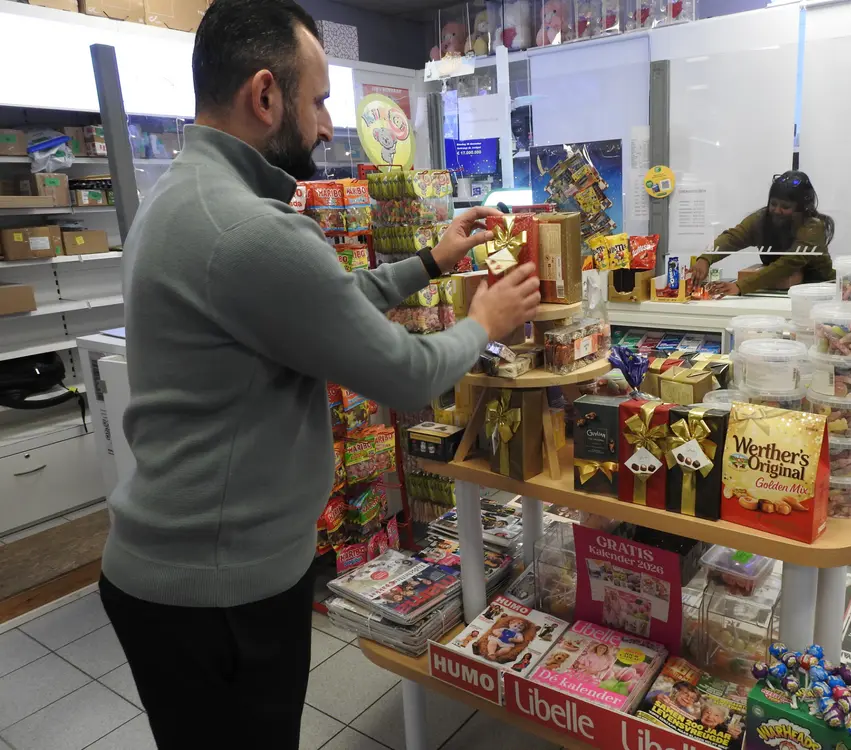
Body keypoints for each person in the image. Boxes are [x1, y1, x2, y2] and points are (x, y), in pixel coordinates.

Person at [97, 1, 540, 747]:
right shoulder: (250, 230)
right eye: (320, 99)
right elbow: (404, 374)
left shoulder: (184, 197)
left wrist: (431, 260)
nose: (330, 124)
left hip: (171, 574)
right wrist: (485, 322)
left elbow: (321, 307)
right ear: (265, 95)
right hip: (221, 591)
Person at [691, 170, 836, 296]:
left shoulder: (813, 228)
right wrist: (705, 259)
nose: (777, 211)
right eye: (773, 204)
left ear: (802, 209)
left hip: (819, 291)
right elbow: (733, 237)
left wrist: (741, 286)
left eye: (785, 207)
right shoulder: (762, 219)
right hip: (778, 290)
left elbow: (787, 264)